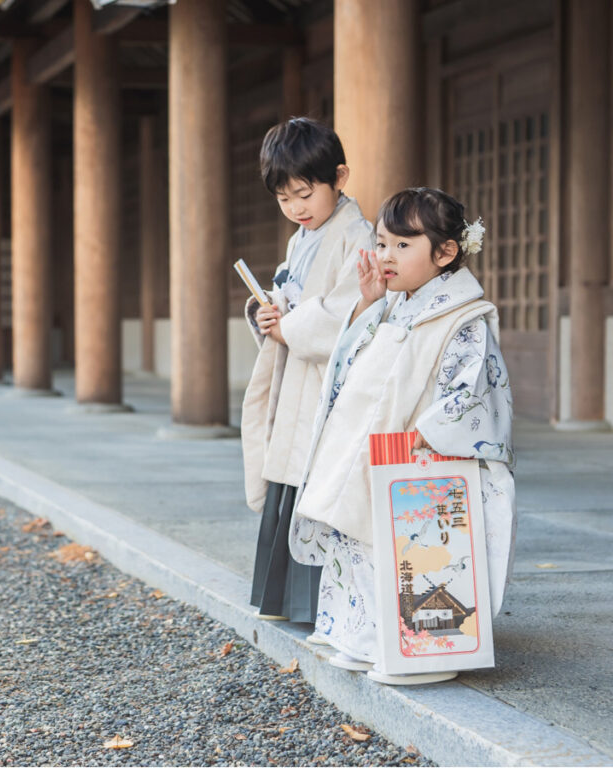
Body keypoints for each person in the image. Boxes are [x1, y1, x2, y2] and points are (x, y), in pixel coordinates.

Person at [289, 187, 516, 684]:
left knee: (405, 553)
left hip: (416, 454)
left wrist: (430, 435)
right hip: (367, 447)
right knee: (356, 541)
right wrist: (370, 304)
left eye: (402, 245)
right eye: (382, 242)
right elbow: (356, 363)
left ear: (445, 252)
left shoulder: (465, 316)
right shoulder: (394, 305)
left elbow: (470, 389)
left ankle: (419, 654)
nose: (386, 256)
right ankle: (360, 635)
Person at [241, 117, 374, 632]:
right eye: (284, 199)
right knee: (292, 479)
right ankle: (287, 597)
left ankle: (319, 603)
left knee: (318, 479)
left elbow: (347, 307)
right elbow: (290, 298)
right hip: (298, 370)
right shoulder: (304, 238)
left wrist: (289, 326)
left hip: (325, 383)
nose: (296, 208)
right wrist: (267, 314)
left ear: (339, 178)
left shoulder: (358, 236)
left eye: (304, 193)